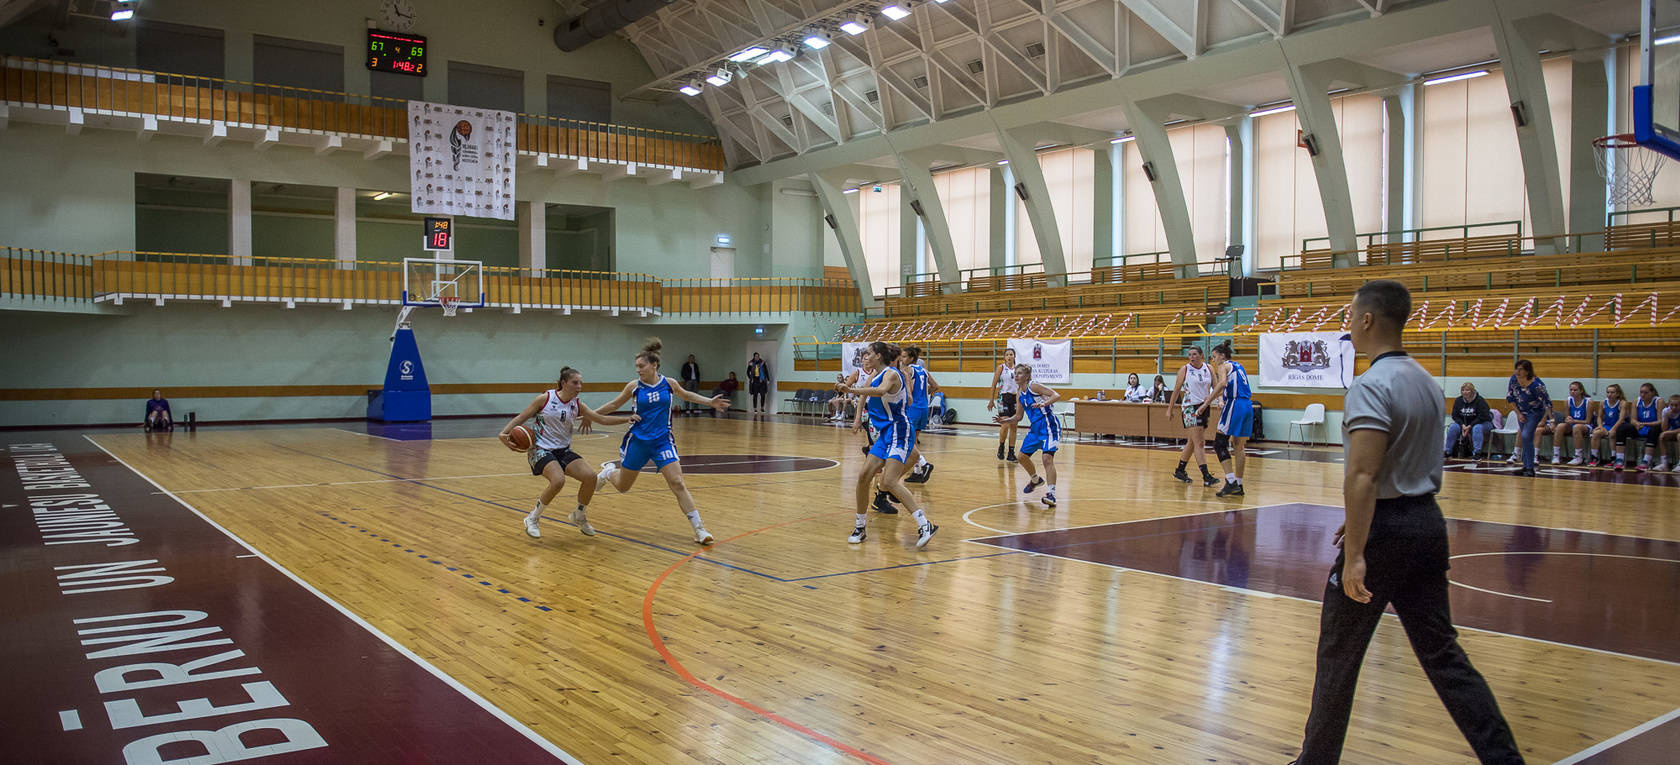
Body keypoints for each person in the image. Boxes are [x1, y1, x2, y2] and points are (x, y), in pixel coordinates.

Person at [1286, 279, 1525, 765]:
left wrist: (1356, 552)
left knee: (1338, 657)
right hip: (1426, 526)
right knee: (1445, 658)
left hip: (1386, 535)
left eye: (1351, 314)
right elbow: (1400, 467)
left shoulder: (1371, 385)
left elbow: (1365, 476)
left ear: (1368, 320)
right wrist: (1357, 524)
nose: (1348, 323)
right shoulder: (1425, 380)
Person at [593, 339, 729, 545]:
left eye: (641, 366)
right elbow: (613, 404)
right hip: (638, 441)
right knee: (622, 486)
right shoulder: (634, 386)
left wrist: (708, 401)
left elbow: (687, 394)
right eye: (636, 367)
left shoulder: (669, 383)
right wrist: (589, 414)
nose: (638, 370)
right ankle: (609, 472)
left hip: (662, 442)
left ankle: (699, 529)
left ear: (654, 365)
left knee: (677, 483)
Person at [499, 367, 639, 540]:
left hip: (563, 450)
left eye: (581, 383)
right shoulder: (546, 398)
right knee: (558, 480)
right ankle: (532, 518)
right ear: (563, 383)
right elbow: (522, 417)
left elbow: (602, 419)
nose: (579, 386)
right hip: (540, 449)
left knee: (590, 477)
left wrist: (627, 419)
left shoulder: (578, 405)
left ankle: (579, 516)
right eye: (575, 383)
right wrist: (504, 433)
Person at [835, 341, 938, 548]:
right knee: (864, 476)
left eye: (869, 353)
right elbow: (871, 393)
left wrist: (850, 389)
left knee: (889, 482)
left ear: (879, 356)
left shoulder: (891, 374)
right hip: (885, 433)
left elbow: (881, 392)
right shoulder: (875, 376)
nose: (866, 356)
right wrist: (857, 409)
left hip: (900, 430)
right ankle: (860, 526)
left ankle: (924, 524)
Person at [994, 364, 1062, 507]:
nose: (1016, 376)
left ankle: (1052, 494)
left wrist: (1045, 403)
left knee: (1047, 458)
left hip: (1049, 425)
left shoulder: (1034, 386)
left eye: (1019, 373)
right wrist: (1005, 420)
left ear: (1027, 376)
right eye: (1015, 374)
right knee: (1021, 457)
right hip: (1035, 429)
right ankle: (1035, 479)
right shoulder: (1019, 394)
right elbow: (1019, 416)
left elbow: (1056, 395)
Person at [1200, 342, 1254, 498]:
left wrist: (1207, 402)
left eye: (1214, 356)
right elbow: (1233, 387)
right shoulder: (1238, 366)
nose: (1213, 359)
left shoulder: (1223, 366)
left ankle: (1230, 482)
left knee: (1219, 443)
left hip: (1235, 404)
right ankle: (1239, 484)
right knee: (1239, 446)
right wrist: (1214, 396)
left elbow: (1223, 383)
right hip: (1247, 405)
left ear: (1222, 356)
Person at [1166, 347, 1218, 487]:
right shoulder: (1185, 369)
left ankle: (1180, 470)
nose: (1192, 357)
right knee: (1199, 442)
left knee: (1192, 441)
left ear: (1201, 355)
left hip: (1204, 406)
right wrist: (1170, 409)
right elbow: (1176, 390)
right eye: (1189, 355)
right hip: (1190, 407)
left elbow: (1217, 387)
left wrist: (1221, 400)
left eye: (1195, 354)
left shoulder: (1209, 368)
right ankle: (1206, 476)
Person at [1504, 359, 1553, 477]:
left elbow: (1547, 403)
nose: (1518, 371)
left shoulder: (1537, 385)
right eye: (1517, 368)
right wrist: (1518, 414)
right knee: (1525, 437)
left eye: (1521, 369)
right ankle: (1525, 466)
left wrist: (1552, 420)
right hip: (1521, 411)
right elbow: (1510, 398)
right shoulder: (1514, 380)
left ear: (1527, 371)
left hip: (1535, 412)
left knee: (1526, 435)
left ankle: (1530, 468)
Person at [900, 346, 940, 484]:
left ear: (911, 358)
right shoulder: (924, 370)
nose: (901, 359)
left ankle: (925, 464)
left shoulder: (907, 370)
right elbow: (936, 386)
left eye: (904, 356)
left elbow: (909, 390)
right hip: (923, 408)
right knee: (914, 440)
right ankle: (916, 472)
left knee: (907, 441)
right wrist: (923, 395)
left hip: (912, 408)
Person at [988, 348, 1021, 463]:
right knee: (1005, 424)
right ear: (1004, 357)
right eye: (1007, 355)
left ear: (1014, 356)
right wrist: (991, 400)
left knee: (1014, 426)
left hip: (1015, 398)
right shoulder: (1001, 368)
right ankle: (1001, 446)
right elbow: (993, 385)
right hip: (1003, 397)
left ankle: (1011, 452)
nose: (1009, 356)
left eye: (1011, 354)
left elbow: (1021, 386)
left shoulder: (1018, 369)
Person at [1444, 383, 1492, 460]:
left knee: (1477, 428)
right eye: (1463, 390)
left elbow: (1483, 416)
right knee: (1453, 427)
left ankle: (1477, 453)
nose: (1464, 392)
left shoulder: (1480, 400)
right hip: (1464, 424)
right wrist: (1462, 425)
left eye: (1467, 390)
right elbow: (1454, 415)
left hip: (1482, 423)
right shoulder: (1458, 400)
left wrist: (1470, 426)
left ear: (1472, 391)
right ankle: (1448, 451)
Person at [1588, 384, 1631, 469]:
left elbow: (1621, 419)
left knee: (1612, 434)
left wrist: (1613, 428)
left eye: (1612, 392)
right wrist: (1600, 426)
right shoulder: (1603, 402)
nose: (1609, 394)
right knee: (1596, 433)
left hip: (1619, 426)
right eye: (1608, 392)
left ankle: (1613, 458)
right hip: (1607, 425)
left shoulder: (1622, 403)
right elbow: (1599, 416)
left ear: (1617, 394)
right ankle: (1594, 457)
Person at [1556, 381, 1596, 466]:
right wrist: (1569, 420)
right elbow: (1567, 418)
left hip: (1586, 426)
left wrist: (1574, 421)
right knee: (1560, 426)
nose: (1572, 392)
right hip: (1572, 424)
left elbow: (1588, 421)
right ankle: (1556, 455)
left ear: (1581, 391)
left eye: (1575, 390)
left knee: (1576, 427)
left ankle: (1578, 456)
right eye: (1571, 390)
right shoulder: (1568, 401)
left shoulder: (1588, 401)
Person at [1630, 383, 1664, 472]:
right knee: (1623, 429)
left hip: (1653, 426)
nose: (1643, 395)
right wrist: (1637, 424)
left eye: (1646, 393)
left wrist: (1645, 424)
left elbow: (1660, 421)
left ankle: (1646, 461)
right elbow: (1632, 420)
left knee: (1654, 430)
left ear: (1652, 393)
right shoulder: (1636, 401)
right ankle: (1619, 459)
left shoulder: (1658, 401)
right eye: (1641, 392)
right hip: (1641, 426)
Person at [1656, 394, 1680, 472]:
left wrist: (1671, 432)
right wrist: (1666, 417)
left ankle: (1679, 463)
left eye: (1676, 405)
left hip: (1678, 432)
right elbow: (1664, 429)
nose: (1673, 407)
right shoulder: (1665, 411)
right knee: (1662, 436)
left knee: (1679, 436)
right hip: (1673, 431)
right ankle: (1664, 463)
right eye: (1671, 405)